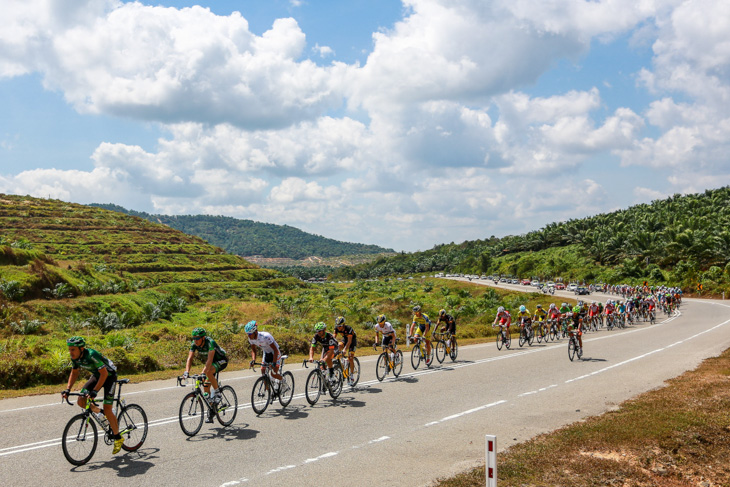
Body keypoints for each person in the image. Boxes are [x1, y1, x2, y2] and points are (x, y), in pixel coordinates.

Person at [61, 336, 124, 454]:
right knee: (81, 400)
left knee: (108, 407)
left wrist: (95, 391)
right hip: (97, 375)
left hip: (109, 376)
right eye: (69, 349)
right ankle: (101, 412)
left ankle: (118, 437)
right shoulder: (75, 357)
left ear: (81, 348)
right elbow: (74, 372)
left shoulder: (91, 355)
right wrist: (68, 389)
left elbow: (104, 374)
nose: (71, 352)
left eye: (73, 349)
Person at [184, 327, 227, 421]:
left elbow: (210, 360)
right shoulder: (194, 344)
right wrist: (186, 372)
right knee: (206, 387)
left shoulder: (210, 342)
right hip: (210, 364)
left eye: (197, 338)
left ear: (203, 338)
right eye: (194, 338)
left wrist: (203, 372)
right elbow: (190, 358)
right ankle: (212, 410)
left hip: (221, 360)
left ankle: (218, 393)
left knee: (207, 372)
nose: (195, 340)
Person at [246, 320, 283, 387]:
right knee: (263, 370)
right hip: (266, 353)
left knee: (273, 374)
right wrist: (253, 360)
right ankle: (268, 391)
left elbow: (275, 350)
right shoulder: (250, 339)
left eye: (250, 334)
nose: (249, 336)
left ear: (255, 332)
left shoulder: (266, 336)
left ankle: (282, 380)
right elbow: (253, 350)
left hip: (275, 353)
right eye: (248, 334)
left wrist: (274, 363)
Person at [333, 316, 358, 386]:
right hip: (345, 339)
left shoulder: (349, 328)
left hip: (352, 341)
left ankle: (352, 375)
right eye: (337, 326)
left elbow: (349, 342)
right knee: (339, 345)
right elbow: (333, 338)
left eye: (340, 326)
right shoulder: (337, 328)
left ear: (343, 325)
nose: (338, 327)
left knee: (350, 357)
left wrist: (345, 350)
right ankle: (342, 360)